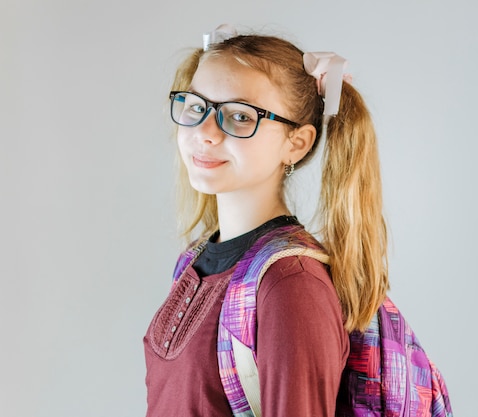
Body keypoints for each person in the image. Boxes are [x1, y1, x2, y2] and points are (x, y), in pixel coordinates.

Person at [144, 24, 389, 416]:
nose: (205, 132)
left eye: (239, 116)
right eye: (196, 107)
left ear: (297, 143)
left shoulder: (290, 285)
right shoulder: (194, 260)